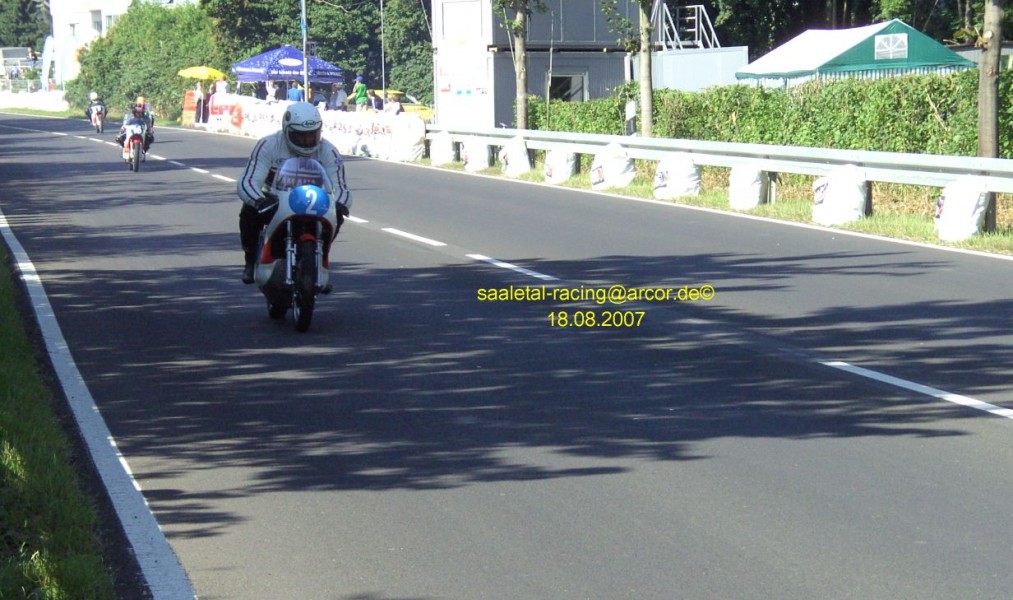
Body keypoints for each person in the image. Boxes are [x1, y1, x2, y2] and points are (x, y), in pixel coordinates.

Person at [236, 101, 352, 285]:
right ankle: (250, 260)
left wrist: (340, 203)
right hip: (273, 199)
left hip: (313, 201)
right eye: (300, 136)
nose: (307, 141)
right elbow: (248, 180)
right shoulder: (268, 145)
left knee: (337, 216)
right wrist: (257, 200)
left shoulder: (329, 151)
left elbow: (341, 187)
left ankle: (319, 261)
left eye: (312, 135)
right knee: (249, 214)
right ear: (287, 131)